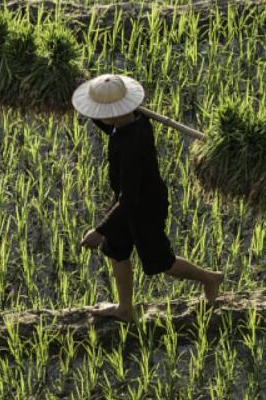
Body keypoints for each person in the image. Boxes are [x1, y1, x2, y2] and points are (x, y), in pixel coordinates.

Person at [72, 73, 224, 322]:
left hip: (144, 206)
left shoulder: (131, 143)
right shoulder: (134, 120)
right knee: (116, 249)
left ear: (114, 112)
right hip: (128, 199)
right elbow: (106, 123)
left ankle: (210, 278)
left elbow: (129, 200)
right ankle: (125, 308)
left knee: (160, 261)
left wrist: (99, 230)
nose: (99, 114)